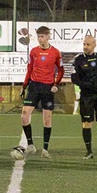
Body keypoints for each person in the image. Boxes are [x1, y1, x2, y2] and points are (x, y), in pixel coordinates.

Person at [20, 26, 64, 158]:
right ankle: (31, 145)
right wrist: (24, 85)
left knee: (47, 119)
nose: (40, 39)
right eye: (38, 36)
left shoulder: (56, 52)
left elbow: (61, 70)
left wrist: (56, 84)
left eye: (42, 36)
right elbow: (30, 69)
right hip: (34, 86)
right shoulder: (33, 51)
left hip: (47, 87)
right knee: (24, 115)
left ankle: (45, 148)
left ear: (48, 36)